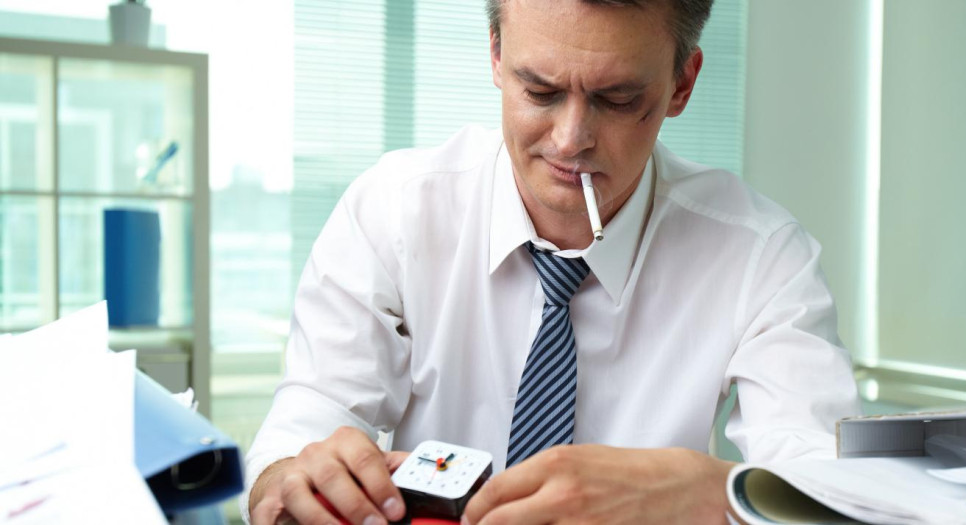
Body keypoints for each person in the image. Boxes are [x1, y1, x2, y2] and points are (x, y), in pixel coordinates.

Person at [242, 0, 859, 523]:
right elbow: (304, 422)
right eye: (539, 89)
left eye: (617, 99)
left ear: (681, 85)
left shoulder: (761, 257)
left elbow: (832, 490)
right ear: (494, 54)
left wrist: (710, 493)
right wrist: (286, 479)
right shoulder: (393, 211)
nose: (570, 139)